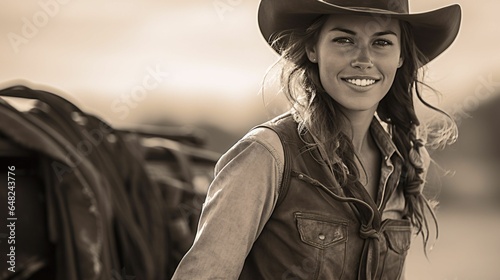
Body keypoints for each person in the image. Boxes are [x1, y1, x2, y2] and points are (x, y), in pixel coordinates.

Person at [172, 0, 461, 279]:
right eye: (344, 40)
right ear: (313, 49)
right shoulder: (267, 156)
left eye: (381, 42)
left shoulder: (401, 165)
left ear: (400, 57)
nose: (364, 60)